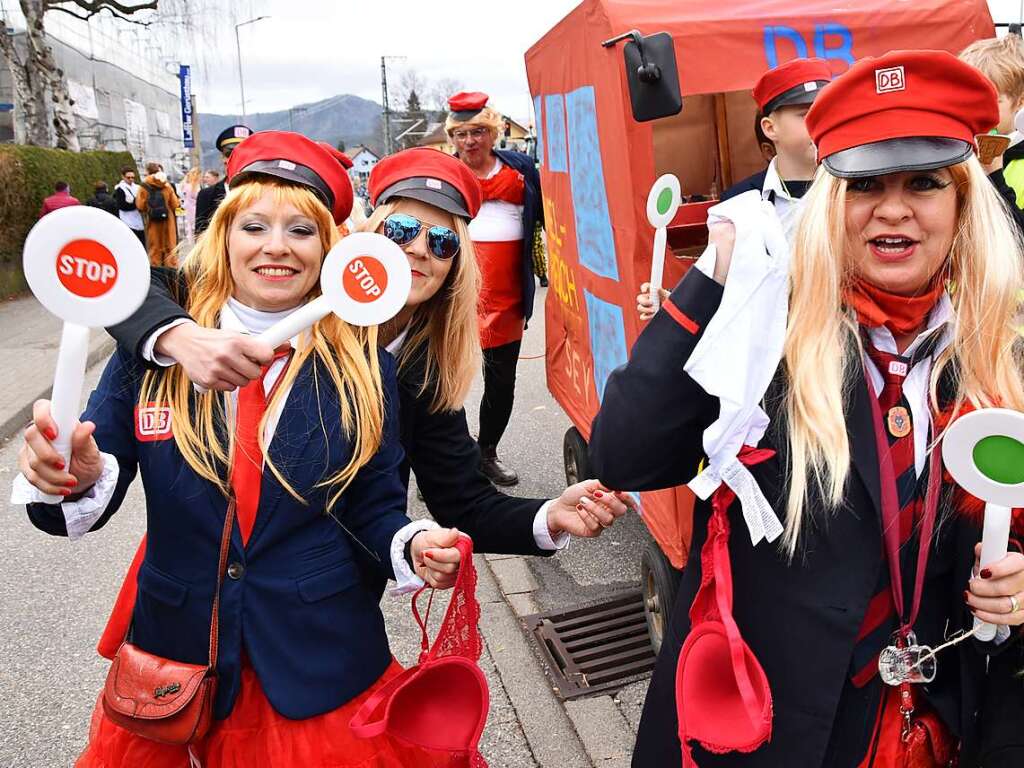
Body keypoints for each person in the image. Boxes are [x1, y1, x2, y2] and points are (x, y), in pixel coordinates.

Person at [590, 50, 1024, 767]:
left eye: (923, 181)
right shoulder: (767, 335)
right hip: (770, 727)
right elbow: (624, 454)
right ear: (831, 203)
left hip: (933, 725)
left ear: (962, 203)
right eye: (864, 184)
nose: (893, 208)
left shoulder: (994, 352)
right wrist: (714, 277)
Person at [11, 131, 467, 767]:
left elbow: (373, 507)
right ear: (225, 236)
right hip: (174, 662)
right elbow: (79, 489)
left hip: (316, 666)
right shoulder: (155, 352)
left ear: (328, 251)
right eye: (254, 225)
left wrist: (410, 544)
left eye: (301, 231)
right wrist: (74, 477)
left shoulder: (365, 366)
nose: (276, 246)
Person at [446, 91, 544, 486]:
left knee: (502, 383)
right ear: (453, 137)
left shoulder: (520, 168)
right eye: (463, 133)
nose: (471, 141)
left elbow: (542, 216)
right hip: (453, 296)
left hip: (507, 296)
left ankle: (487, 451)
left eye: (479, 132)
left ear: (494, 131)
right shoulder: (443, 173)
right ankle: (447, 456)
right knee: (446, 382)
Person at [720, 57, 833, 238]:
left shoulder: (853, 187)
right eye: (807, 115)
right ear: (770, 128)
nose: (820, 123)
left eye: (825, 112)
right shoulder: (738, 200)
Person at [960, 34, 1024, 210]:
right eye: (968, 100)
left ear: (1020, 101)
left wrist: (994, 174)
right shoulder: (955, 151)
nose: (977, 111)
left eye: (991, 101)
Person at [195, 125, 253, 236]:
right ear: (223, 158)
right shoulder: (207, 196)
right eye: (229, 154)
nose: (235, 159)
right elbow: (201, 239)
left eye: (242, 154)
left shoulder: (266, 192)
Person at [136, 162, 180, 267]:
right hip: (168, 220)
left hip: (153, 220)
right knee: (170, 245)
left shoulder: (144, 186)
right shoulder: (167, 185)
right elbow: (175, 204)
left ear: (147, 172)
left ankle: (156, 269)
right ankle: (171, 269)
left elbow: (140, 205)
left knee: (154, 246)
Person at [113, 166, 145, 246]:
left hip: (139, 220)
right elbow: (122, 206)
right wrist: (137, 204)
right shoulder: (120, 189)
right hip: (127, 221)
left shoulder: (138, 187)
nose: (131, 179)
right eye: (128, 177)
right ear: (123, 177)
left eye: (133, 177)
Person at [181, 166, 202, 240]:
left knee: (190, 227)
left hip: (187, 208)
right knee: (195, 228)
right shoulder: (195, 186)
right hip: (195, 209)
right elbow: (198, 197)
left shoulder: (185, 185)